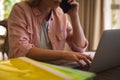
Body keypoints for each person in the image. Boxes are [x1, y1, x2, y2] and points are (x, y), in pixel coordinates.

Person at [8, 0, 92, 67]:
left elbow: (79, 48)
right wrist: (63, 54)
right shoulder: (20, 10)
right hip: (25, 70)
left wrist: (74, 16)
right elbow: (21, 50)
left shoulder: (60, 13)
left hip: (53, 69)